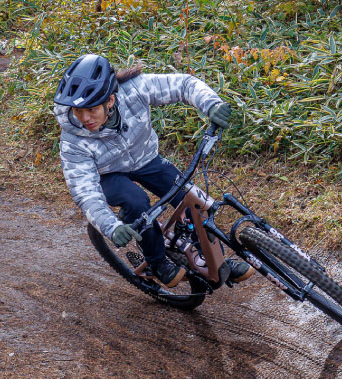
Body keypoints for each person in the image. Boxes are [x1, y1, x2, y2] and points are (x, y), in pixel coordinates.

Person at [53, 54, 253, 288]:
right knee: (136, 201)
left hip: (146, 159)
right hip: (108, 175)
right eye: (78, 111)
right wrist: (112, 227)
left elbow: (183, 85)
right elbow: (85, 191)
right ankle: (156, 263)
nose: (84, 118)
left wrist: (211, 104)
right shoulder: (72, 140)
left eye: (92, 109)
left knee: (192, 198)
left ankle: (216, 260)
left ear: (110, 100)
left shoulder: (135, 90)